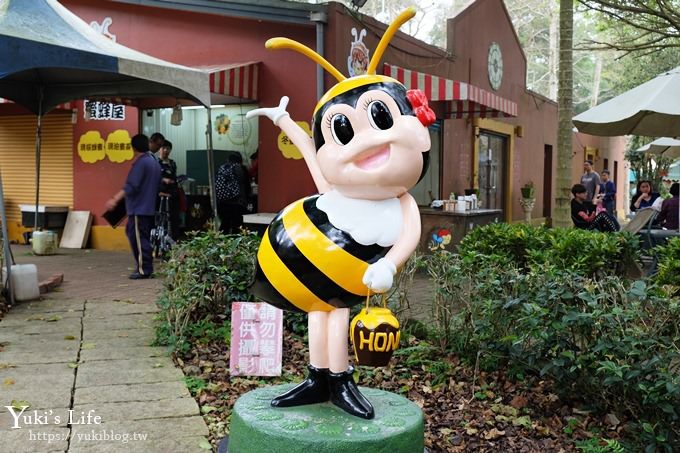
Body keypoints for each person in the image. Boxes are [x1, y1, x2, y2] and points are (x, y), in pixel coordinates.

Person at [106, 134, 161, 279]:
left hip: (139, 208)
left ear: (134, 147)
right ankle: (144, 267)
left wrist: (114, 199)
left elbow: (132, 186)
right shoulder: (154, 162)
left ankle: (144, 269)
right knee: (135, 235)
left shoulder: (141, 163)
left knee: (139, 238)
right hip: (148, 207)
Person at [215, 153, 249, 234]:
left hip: (222, 202)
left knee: (225, 224)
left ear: (228, 159)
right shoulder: (240, 168)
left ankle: (222, 243)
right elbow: (246, 185)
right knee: (237, 226)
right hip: (237, 202)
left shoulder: (222, 168)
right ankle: (235, 244)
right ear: (240, 161)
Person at [157, 140, 180, 240]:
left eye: (168, 148)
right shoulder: (155, 162)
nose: (166, 150)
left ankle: (172, 241)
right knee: (160, 218)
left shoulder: (172, 163)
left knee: (173, 219)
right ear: (159, 150)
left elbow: (174, 177)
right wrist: (162, 179)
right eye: (163, 148)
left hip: (172, 195)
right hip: (159, 195)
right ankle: (158, 241)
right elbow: (151, 178)